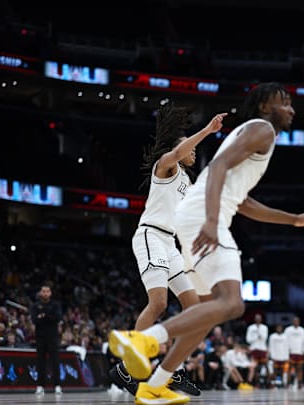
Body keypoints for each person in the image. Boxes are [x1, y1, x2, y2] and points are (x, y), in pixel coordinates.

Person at [108, 82, 304, 404]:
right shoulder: (262, 130)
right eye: (285, 102)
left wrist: (293, 219)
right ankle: (144, 341)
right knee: (232, 303)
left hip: (187, 223)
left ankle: (155, 384)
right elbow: (220, 170)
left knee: (207, 310)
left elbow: (242, 202)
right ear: (266, 106)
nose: (291, 109)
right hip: (195, 222)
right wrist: (211, 222)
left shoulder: (248, 137)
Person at [109, 103, 225, 397]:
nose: (194, 152)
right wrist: (208, 131)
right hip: (150, 236)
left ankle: (171, 371)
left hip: (170, 243)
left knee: (194, 308)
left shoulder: (187, 179)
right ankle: (125, 367)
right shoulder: (167, 165)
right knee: (158, 303)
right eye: (190, 148)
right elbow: (177, 152)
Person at [30, 284, 62, 395]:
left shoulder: (56, 305)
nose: (45, 293)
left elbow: (57, 318)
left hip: (53, 337)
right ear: (40, 292)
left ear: (50, 293)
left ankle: (57, 386)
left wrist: (43, 315)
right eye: (43, 291)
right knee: (40, 362)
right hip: (40, 337)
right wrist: (48, 316)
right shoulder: (35, 306)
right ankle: (40, 386)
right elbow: (34, 320)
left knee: (55, 361)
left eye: (47, 291)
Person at [284, 316, 304, 389]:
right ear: (292, 322)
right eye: (295, 321)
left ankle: (299, 383)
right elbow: (285, 341)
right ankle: (288, 383)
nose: (296, 322)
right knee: (289, 369)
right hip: (291, 352)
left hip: (299, 352)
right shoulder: (288, 330)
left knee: (300, 369)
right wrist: (286, 351)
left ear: (299, 322)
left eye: (297, 321)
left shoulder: (302, 330)